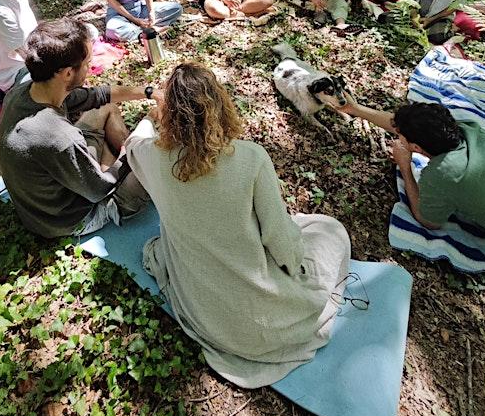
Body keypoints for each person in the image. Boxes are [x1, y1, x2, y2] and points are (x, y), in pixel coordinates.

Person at [125, 63, 351, 388]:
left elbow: (134, 142)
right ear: (220, 104)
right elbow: (281, 242)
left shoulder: (151, 155)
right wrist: (294, 270)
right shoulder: (250, 158)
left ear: (170, 114)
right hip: (264, 323)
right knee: (329, 231)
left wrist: (150, 117)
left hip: (204, 316)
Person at [0, 17, 156, 238]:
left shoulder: (27, 92)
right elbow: (99, 190)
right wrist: (134, 148)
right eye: (88, 63)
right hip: (69, 219)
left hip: (49, 197)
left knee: (106, 109)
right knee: (152, 158)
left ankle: (107, 160)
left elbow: (97, 96)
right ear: (68, 73)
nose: (90, 68)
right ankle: (116, 167)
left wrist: (149, 92)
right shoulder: (59, 137)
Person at [319, 93, 485, 239]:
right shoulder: (466, 130)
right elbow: (396, 124)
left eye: (401, 136)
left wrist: (405, 167)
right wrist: (356, 109)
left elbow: (430, 222)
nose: (397, 135)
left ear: (415, 148)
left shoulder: (443, 172)